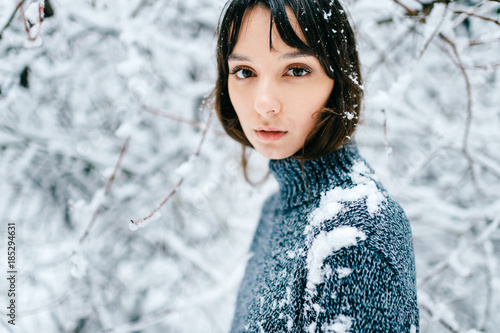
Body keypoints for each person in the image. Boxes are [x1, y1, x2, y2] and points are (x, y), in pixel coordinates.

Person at [212, 0, 419, 331]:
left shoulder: (356, 230)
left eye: (296, 70)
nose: (264, 103)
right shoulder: (276, 209)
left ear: (338, 80)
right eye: (245, 72)